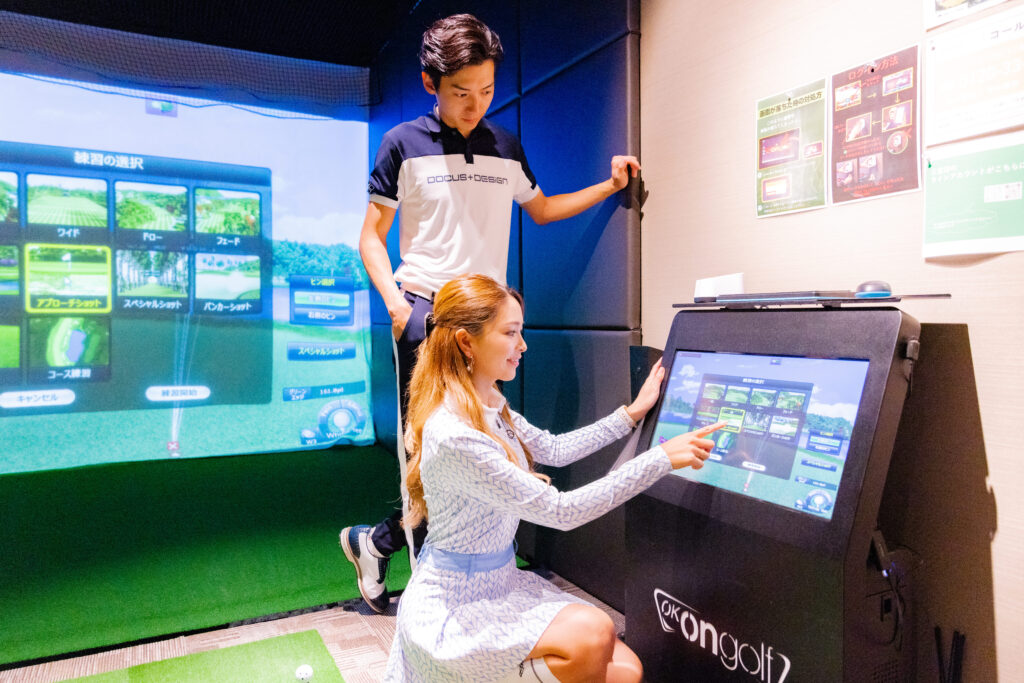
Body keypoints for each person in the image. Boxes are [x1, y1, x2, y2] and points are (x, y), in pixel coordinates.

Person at [341, 12, 641, 613]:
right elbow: (371, 237)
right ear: (430, 83)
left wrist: (610, 187)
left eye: (486, 90)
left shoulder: (505, 146)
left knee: (485, 446)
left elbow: (544, 209)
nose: (475, 104)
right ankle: (434, 612)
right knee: (427, 459)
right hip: (426, 314)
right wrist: (399, 308)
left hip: (487, 321)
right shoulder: (401, 144)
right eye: (461, 92)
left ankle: (376, 543)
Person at [382, 274, 723, 682]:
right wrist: (660, 459)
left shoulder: (488, 401)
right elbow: (561, 511)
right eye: (510, 333)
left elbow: (555, 449)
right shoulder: (455, 434)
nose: (523, 345)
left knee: (628, 670)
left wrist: (631, 414)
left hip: (500, 584)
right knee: (594, 633)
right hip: (455, 606)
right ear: (466, 342)